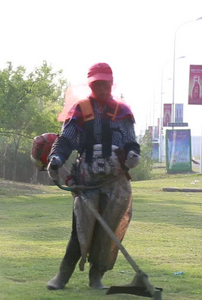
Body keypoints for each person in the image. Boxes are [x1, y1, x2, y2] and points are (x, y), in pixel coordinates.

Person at [46, 62, 140, 290]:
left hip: (115, 180)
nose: (102, 87)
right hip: (87, 180)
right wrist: (57, 157)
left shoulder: (123, 112)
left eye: (105, 83)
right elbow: (66, 139)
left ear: (111, 83)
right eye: (97, 83)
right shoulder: (80, 110)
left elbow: (130, 141)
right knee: (80, 228)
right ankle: (62, 276)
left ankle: (96, 277)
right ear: (90, 84)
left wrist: (133, 153)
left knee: (108, 232)